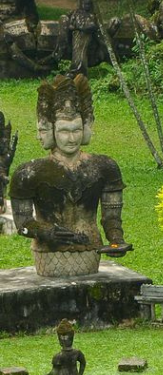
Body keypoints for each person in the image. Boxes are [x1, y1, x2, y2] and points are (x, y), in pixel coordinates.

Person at [10, 74, 132, 277]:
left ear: (85, 128)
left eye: (76, 130)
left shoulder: (104, 167)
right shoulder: (29, 173)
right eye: (64, 131)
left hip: (91, 251)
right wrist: (46, 232)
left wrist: (116, 239)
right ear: (51, 130)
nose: (71, 138)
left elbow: (111, 217)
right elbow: (22, 224)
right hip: (49, 256)